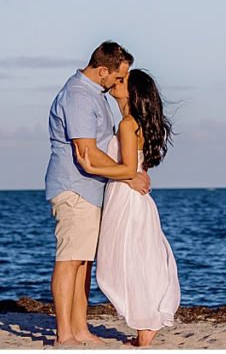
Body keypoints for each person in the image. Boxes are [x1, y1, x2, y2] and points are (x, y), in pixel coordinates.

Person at [45, 41, 151, 346]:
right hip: (75, 188)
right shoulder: (79, 97)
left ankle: (80, 329)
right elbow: (87, 152)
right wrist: (130, 175)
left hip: (91, 191)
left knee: (83, 262)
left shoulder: (94, 95)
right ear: (102, 70)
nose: (120, 83)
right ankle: (65, 334)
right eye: (118, 77)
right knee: (69, 260)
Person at [76, 68, 180, 347]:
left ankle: (144, 329)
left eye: (121, 81)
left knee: (123, 262)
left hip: (126, 198)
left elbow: (126, 169)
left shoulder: (127, 124)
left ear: (132, 92)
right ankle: (143, 329)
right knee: (136, 259)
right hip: (131, 198)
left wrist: (90, 165)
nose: (114, 84)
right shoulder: (131, 123)